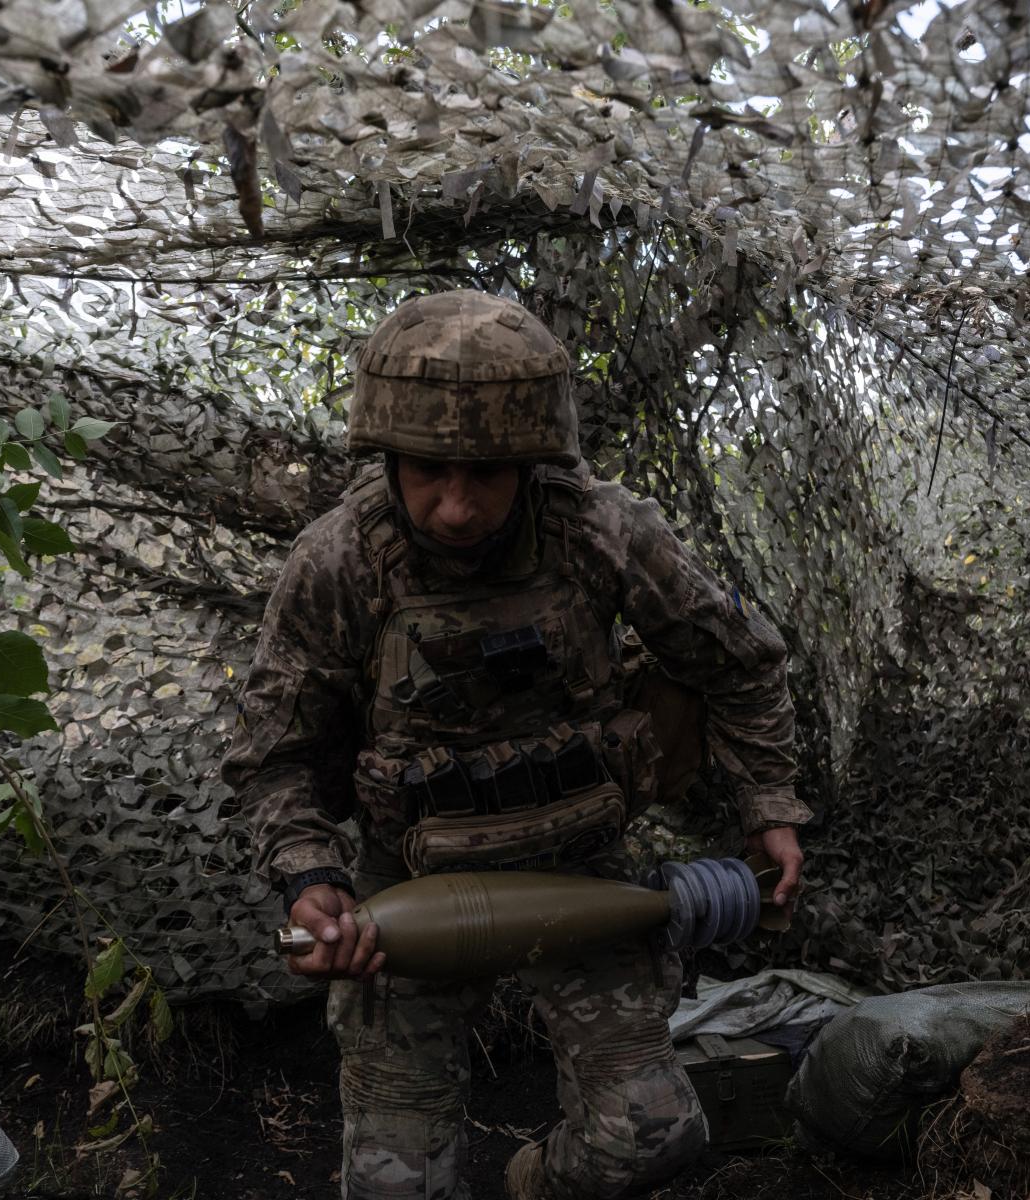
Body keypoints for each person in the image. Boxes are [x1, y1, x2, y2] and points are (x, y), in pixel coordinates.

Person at [222, 290, 810, 1200]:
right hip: (402, 892)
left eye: (487, 475)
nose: (456, 508)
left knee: (651, 1134)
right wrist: (310, 875)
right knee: (395, 1189)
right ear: (386, 454)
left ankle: (534, 1182)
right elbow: (272, 758)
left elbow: (741, 661)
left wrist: (768, 805)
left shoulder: (602, 532)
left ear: (533, 461)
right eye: (428, 471)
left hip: (582, 876)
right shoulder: (339, 563)